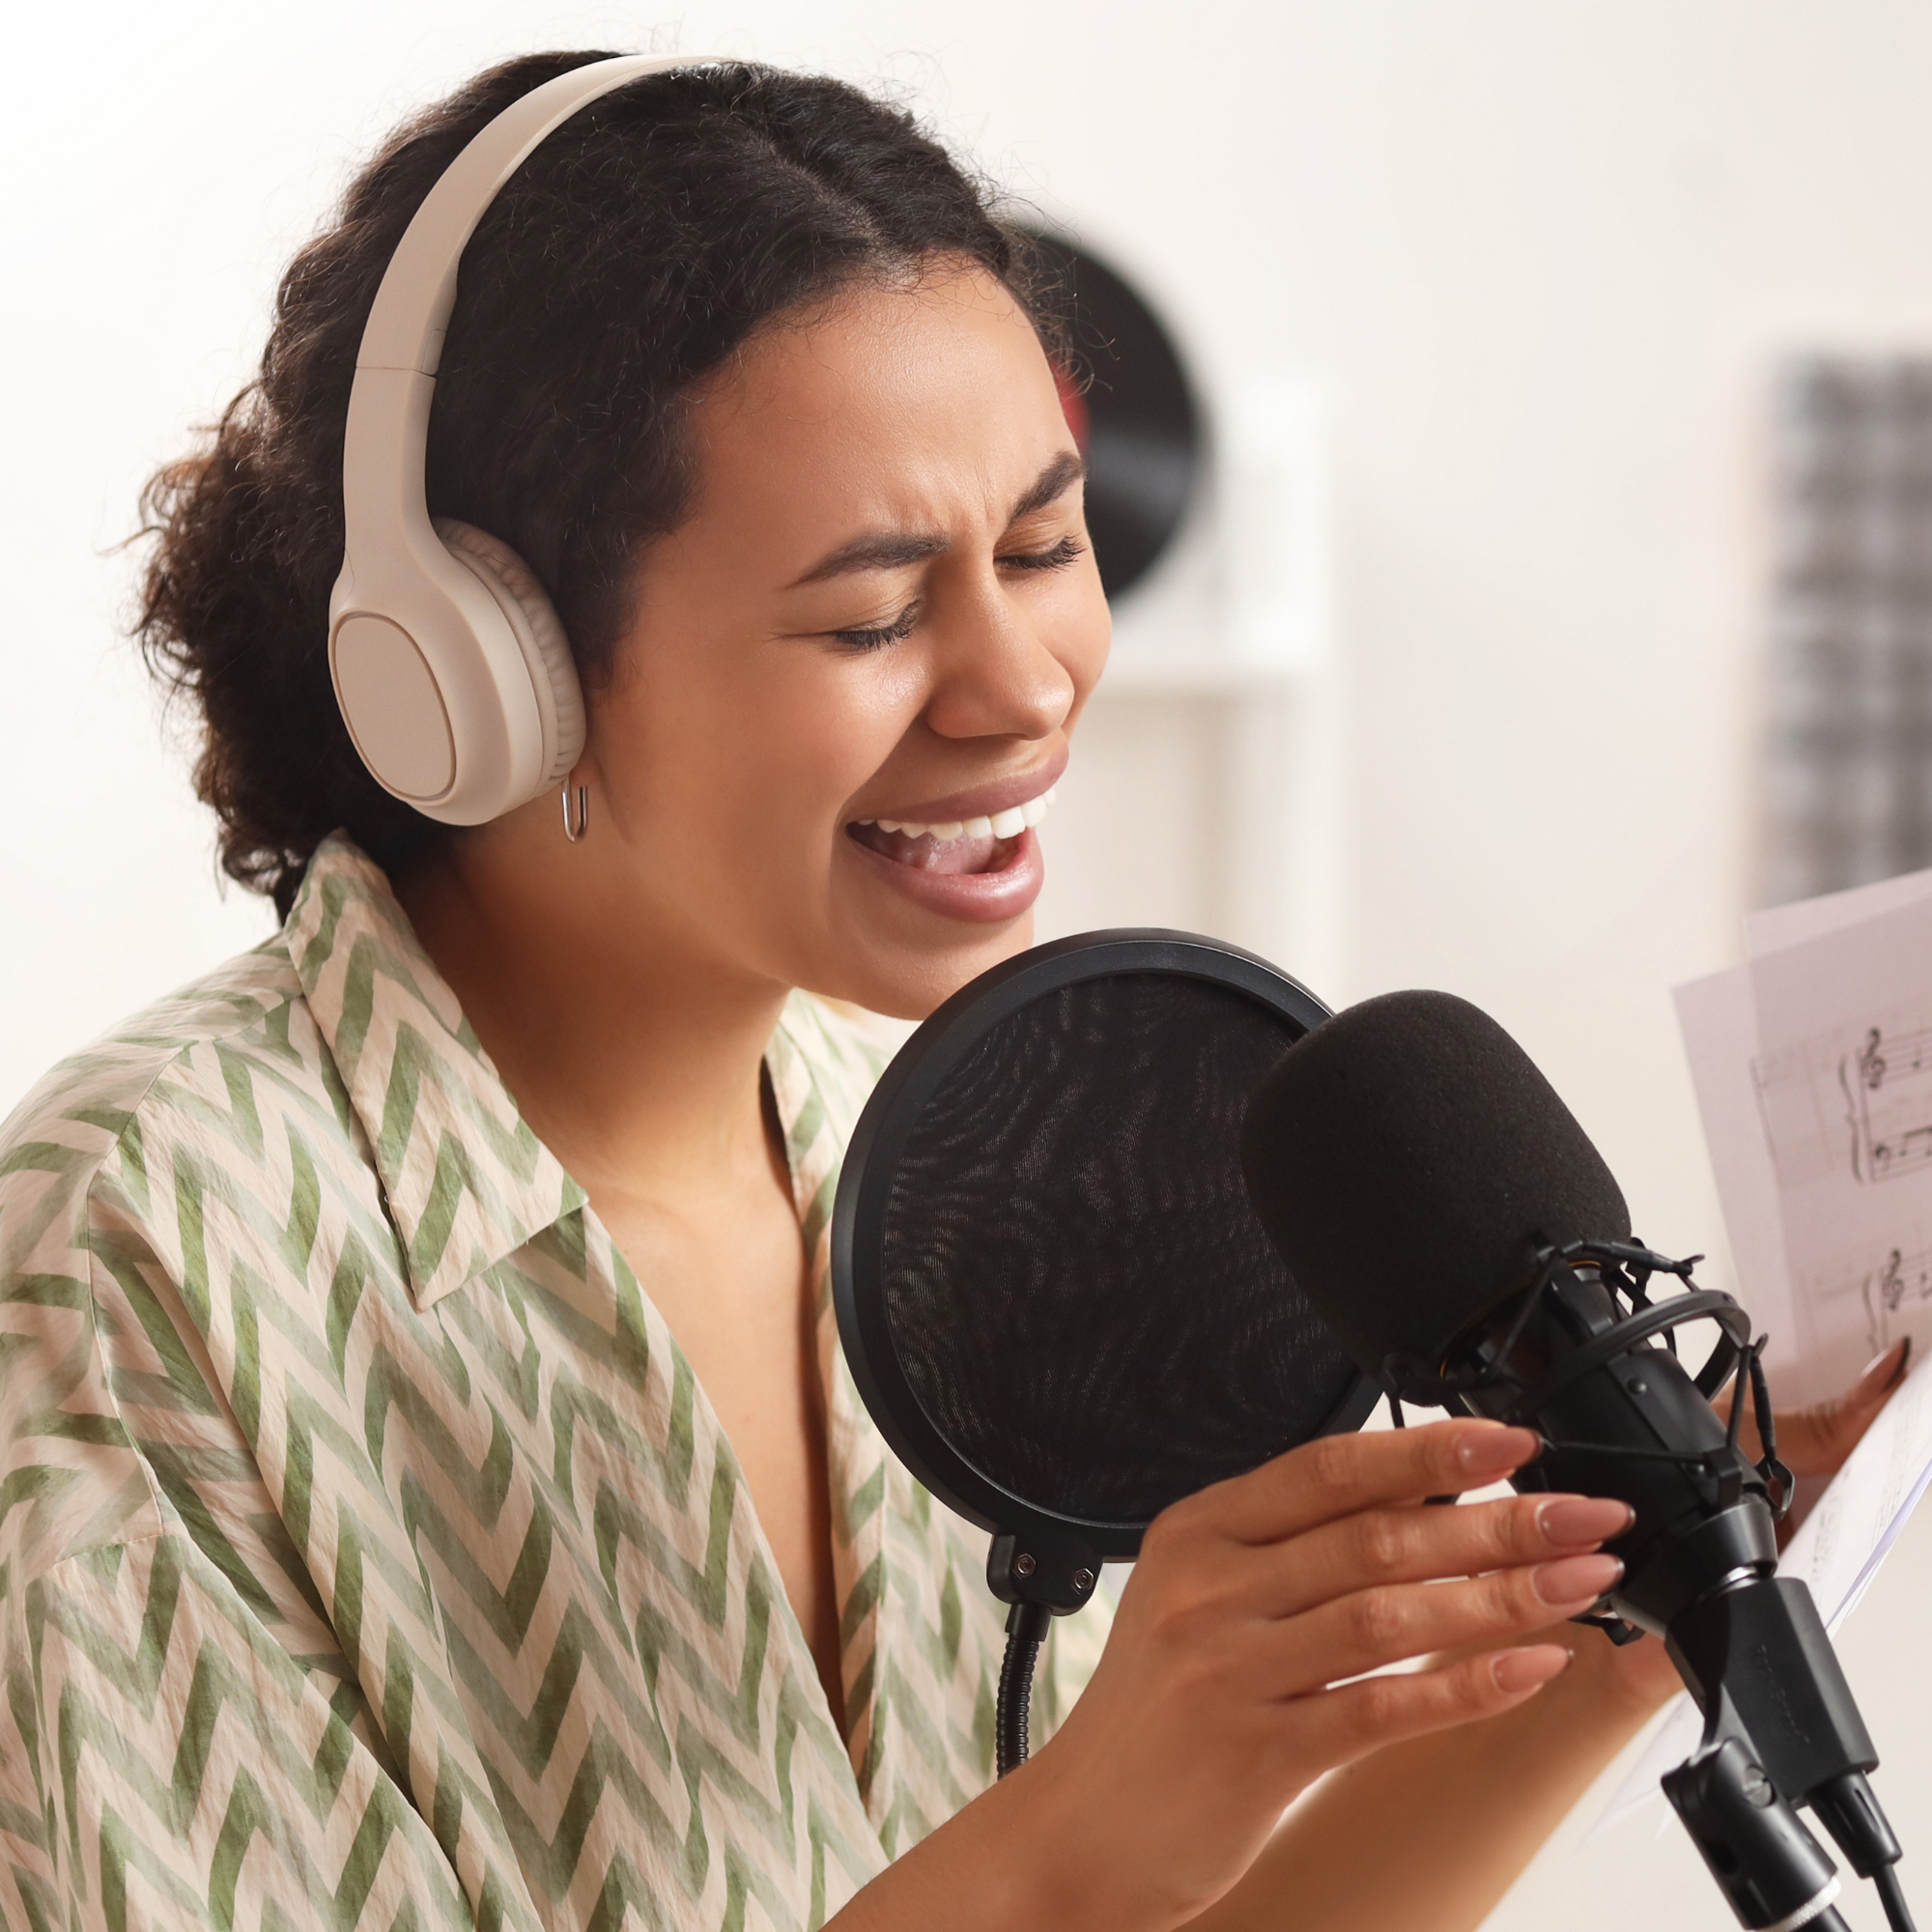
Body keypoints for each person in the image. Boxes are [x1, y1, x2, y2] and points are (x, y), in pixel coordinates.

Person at [0, 52, 1901, 1932]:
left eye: (1047, 544)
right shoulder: (125, 1260)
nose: (1026, 685)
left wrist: (1624, 1627)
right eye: (873, 610)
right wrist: (1076, 1839)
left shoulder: (947, 1161)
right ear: (490, 662)